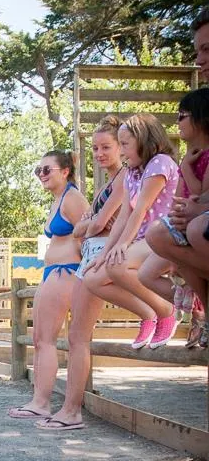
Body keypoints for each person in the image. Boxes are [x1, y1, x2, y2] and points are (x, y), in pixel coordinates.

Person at [37, 119, 126, 431]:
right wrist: (92, 223)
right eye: (96, 148)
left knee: (77, 338)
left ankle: (71, 410)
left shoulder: (125, 178)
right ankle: (65, 408)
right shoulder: (108, 184)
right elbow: (88, 224)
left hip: (92, 263)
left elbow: (95, 226)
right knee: (71, 338)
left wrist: (93, 224)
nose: (100, 153)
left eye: (109, 147)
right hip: (88, 263)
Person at [82, 114, 179, 349]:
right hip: (143, 240)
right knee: (92, 277)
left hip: (165, 237)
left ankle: (167, 310)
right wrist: (104, 252)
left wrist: (122, 246)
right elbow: (124, 215)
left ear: (144, 141)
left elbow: (141, 209)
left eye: (124, 144)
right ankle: (149, 314)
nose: (122, 151)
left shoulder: (160, 163)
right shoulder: (133, 172)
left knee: (117, 265)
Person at [8, 149, 88, 420]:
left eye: (46, 170)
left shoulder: (73, 198)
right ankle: (38, 400)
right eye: (38, 170)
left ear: (65, 171)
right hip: (52, 271)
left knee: (48, 339)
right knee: (39, 338)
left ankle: (43, 402)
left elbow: (90, 235)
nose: (41, 175)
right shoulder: (57, 200)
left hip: (67, 272)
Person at [139, 89, 209, 347]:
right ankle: (200, 308)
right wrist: (180, 214)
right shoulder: (189, 157)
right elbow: (179, 199)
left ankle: (197, 311)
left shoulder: (167, 163)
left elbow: (202, 196)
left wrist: (189, 171)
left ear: (200, 119)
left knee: (187, 235)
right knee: (165, 239)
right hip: (188, 222)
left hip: (199, 223)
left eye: (182, 116)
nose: (177, 122)